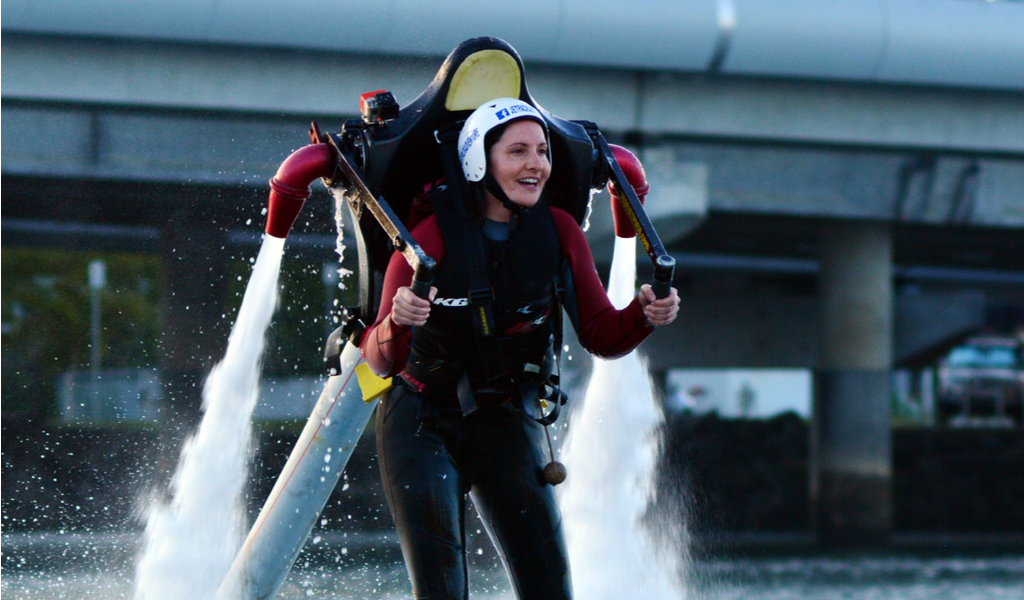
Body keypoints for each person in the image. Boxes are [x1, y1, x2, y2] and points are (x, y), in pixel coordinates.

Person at [361, 97, 679, 600]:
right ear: (477, 162)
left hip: (507, 419)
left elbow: (601, 335)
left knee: (551, 592)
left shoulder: (559, 231)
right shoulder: (428, 240)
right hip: (421, 422)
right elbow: (379, 359)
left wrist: (646, 315)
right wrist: (397, 321)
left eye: (542, 151)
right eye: (517, 152)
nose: (536, 164)